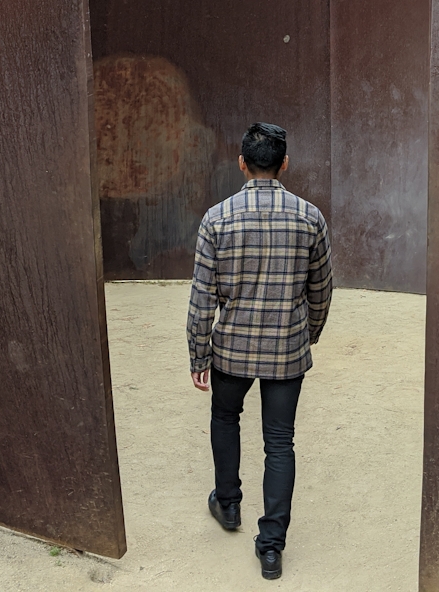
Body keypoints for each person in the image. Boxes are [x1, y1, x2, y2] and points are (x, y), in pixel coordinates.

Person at [186, 122, 333, 581]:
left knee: (225, 419)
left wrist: (198, 354)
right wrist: (307, 333)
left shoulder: (217, 218)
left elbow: (201, 298)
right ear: (285, 163)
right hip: (286, 351)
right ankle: (271, 548)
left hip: (231, 349)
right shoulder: (310, 217)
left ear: (241, 163)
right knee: (280, 441)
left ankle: (228, 506)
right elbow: (322, 290)